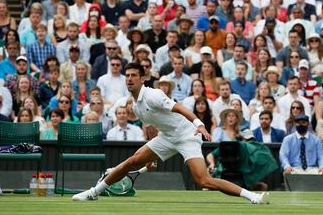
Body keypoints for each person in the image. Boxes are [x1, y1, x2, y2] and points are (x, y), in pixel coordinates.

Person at [72, 62, 269, 204]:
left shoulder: (154, 95)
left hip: (187, 136)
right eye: (128, 76)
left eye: (134, 75)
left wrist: (199, 124)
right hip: (165, 138)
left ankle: (252, 197)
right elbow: (151, 126)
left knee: (203, 180)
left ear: (142, 79)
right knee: (132, 161)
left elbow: (181, 108)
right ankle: (93, 192)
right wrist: (153, 153)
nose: (130, 79)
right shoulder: (136, 106)